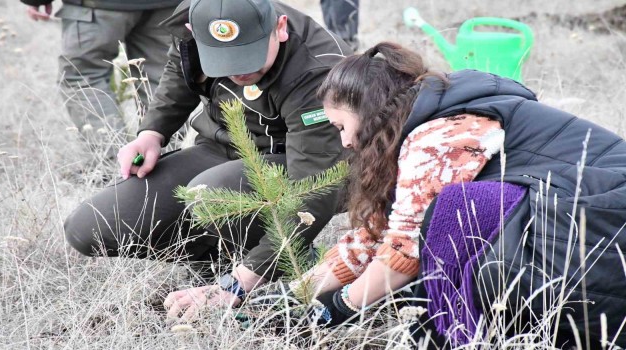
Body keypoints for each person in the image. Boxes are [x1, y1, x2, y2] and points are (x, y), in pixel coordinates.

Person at [279, 42, 626, 347]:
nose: (345, 142)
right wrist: (294, 295)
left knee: (454, 213)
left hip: (604, 229)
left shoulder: (439, 134)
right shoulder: (424, 117)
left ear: (369, 109)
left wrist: (341, 307)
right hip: (583, 226)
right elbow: (375, 236)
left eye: (342, 126)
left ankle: (456, 335)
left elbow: (404, 249)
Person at [63, 0, 353, 321]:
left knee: (208, 194)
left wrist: (239, 284)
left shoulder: (318, 71)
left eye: (250, 56)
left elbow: (314, 191)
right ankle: (219, 259)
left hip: (299, 164)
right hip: (221, 149)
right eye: (224, 60)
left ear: (280, 28)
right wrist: (152, 132)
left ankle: (283, 263)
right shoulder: (198, 18)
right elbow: (179, 71)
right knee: (89, 228)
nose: (240, 70)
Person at [21, 0, 180, 143]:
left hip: (97, 7)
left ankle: (115, 161)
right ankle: (171, 158)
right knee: (164, 76)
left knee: (83, 77)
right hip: (166, 6)